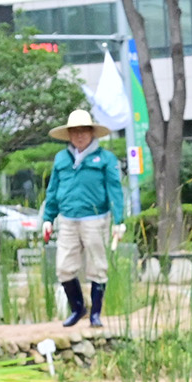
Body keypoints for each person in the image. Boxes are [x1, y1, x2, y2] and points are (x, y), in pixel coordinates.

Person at [41, 107, 125, 328]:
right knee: (64, 267)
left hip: (95, 218)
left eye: (84, 131)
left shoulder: (105, 159)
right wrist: (48, 217)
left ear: (92, 133)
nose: (79, 135)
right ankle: (78, 309)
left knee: (97, 266)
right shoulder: (61, 159)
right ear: (69, 134)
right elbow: (53, 190)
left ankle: (95, 314)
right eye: (75, 131)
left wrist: (119, 220)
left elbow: (115, 189)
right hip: (68, 219)